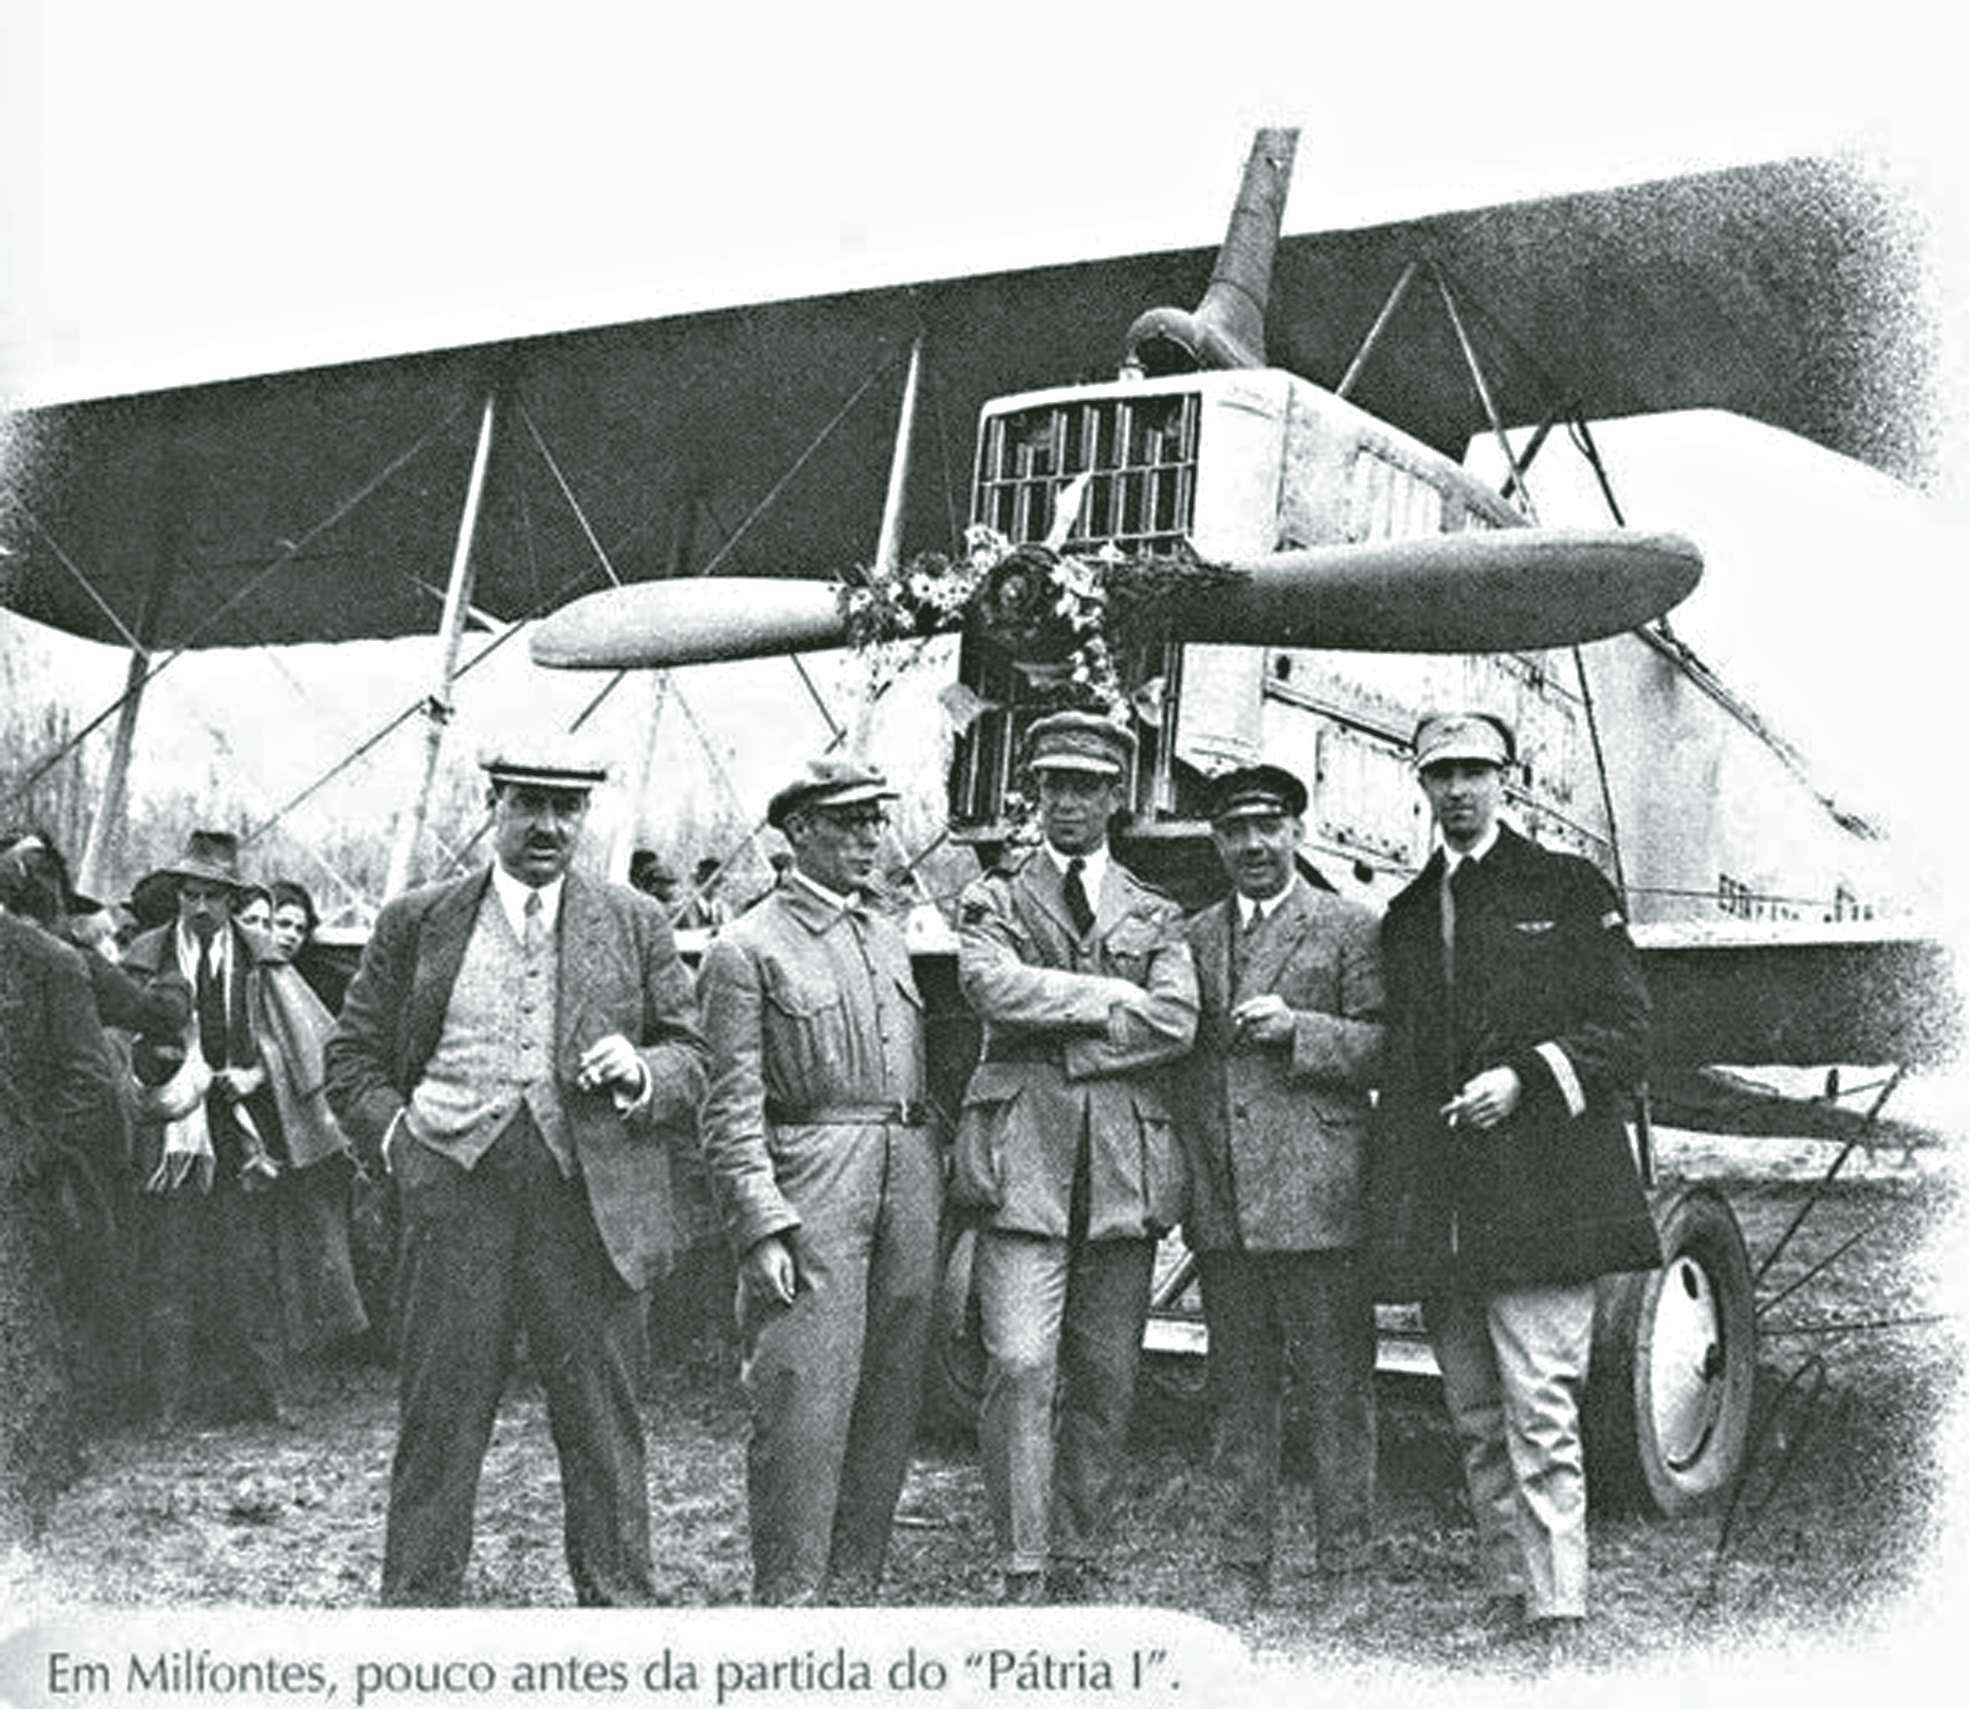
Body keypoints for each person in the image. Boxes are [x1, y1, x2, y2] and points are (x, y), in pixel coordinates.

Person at [325, 745, 707, 1606]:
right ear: (492, 803)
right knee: (440, 1422)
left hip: (586, 1205)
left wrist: (642, 1069)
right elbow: (350, 1059)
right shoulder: (417, 920)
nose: (548, 826)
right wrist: (403, 1148)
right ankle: (416, 1623)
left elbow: (693, 1056)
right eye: (529, 803)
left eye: (567, 808)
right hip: (455, 1198)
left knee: (605, 1426)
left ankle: (619, 1624)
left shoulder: (634, 920)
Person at [1373, 710, 1659, 1656]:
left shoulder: (1567, 889)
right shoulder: (1409, 915)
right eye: (1440, 773)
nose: (1457, 789)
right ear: (1421, 785)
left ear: (1507, 778)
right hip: (1448, 1209)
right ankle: (1508, 1591)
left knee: (1541, 1409)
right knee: (1474, 1416)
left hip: (1546, 1195)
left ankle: (1558, 1608)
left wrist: (1526, 1076)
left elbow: (1627, 1029)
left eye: (1474, 771)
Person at [951, 709, 1199, 1604]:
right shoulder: (993, 897)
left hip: (1120, 1176)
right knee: (1018, 1361)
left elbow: (1177, 1018)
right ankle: (1020, 1559)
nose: (1068, 801)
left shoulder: (1154, 907)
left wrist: (1067, 1038)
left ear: (1114, 798)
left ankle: (1076, 1552)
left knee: (1104, 1373)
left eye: (1087, 786)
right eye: (1053, 783)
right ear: (1035, 791)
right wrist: (1105, 991)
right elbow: (988, 985)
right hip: (1021, 1167)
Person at [696, 759, 940, 1605]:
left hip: (906, 1170)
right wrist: (760, 1222)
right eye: (847, 822)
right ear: (797, 831)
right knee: (803, 1392)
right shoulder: (746, 946)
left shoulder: (882, 931)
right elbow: (727, 1105)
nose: (869, 837)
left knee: (891, 1384)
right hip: (812, 1178)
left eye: (876, 819)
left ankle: (854, 1584)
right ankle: (792, 1595)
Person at [1175, 765, 1383, 1615]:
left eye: (1269, 827)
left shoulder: (1348, 927)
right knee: (1238, 1398)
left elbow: (1386, 1046)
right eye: (1235, 831)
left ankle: (1347, 1573)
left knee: (1337, 1397)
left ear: (1298, 831)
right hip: (1224, 1210)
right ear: (1217, 842)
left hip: (1319, 1203)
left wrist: (1304, 1030)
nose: (1253, 846)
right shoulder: (1191, 936)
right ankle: (1240, 1565)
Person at [123, 829, 364, 1427]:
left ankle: (269, 1394)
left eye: (213, 896)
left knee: (252, 1262)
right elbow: (120, 1036)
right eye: (190, 895)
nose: (200, 908)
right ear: (178, 896)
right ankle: (165, 1405)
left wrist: (257, 1073)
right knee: (171, 1263)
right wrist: (162, 1069)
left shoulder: (264, 959)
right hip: (170, 1133)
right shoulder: (148, 954)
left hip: (243, 1137)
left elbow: (305, 1041)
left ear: (233, 900)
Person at [0, 878, 127, 1538]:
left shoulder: (48, 961)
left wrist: (23, 1159)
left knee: (23, 1361)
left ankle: (18, 1526)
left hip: (18, 1201)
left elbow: (90, 1086)